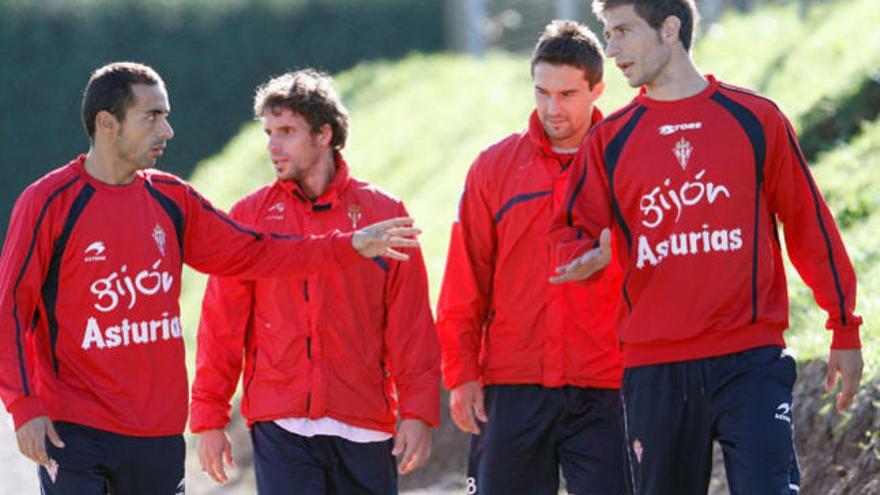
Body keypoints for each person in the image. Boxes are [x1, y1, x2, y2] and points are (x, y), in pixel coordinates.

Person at [0, 61, 420, 495]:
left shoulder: (173, 199)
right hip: (75, 428)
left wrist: (346, 245)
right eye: (153, 117)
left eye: (166, 116)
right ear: (108, 124)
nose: (168, 131)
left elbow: (258, 252)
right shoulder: (48, 203)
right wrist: (25, 406)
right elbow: (9, 310)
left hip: (158, 434)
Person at [550, 1, 864, 494]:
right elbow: (569, 233)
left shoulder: (755, 118)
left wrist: (844, 325)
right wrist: (583, 257)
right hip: (654, 368)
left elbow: (811, 227)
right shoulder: (608, 140)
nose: (611, 50)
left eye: (624, 32)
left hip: (750, 358)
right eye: (607, 34)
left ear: (669, 29)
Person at [189, 69, 440, 495]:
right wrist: (209, 416)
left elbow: (411, 325)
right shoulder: (249, 218)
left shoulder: (384, 214)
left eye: (286, 131)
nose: (272, 145)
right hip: (281, 423)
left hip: (364, 423)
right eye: (268, 132)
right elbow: (221, 327)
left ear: (324, 135)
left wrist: (418, 412)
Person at [436, 20, 626, 495]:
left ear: (596, 89)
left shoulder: (627, 160)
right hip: (513, 382)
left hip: (608, 382)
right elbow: (466, 277)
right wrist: (461, 375)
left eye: (567, 95)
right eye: (542, 92)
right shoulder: (493, 168)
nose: (551, 108)